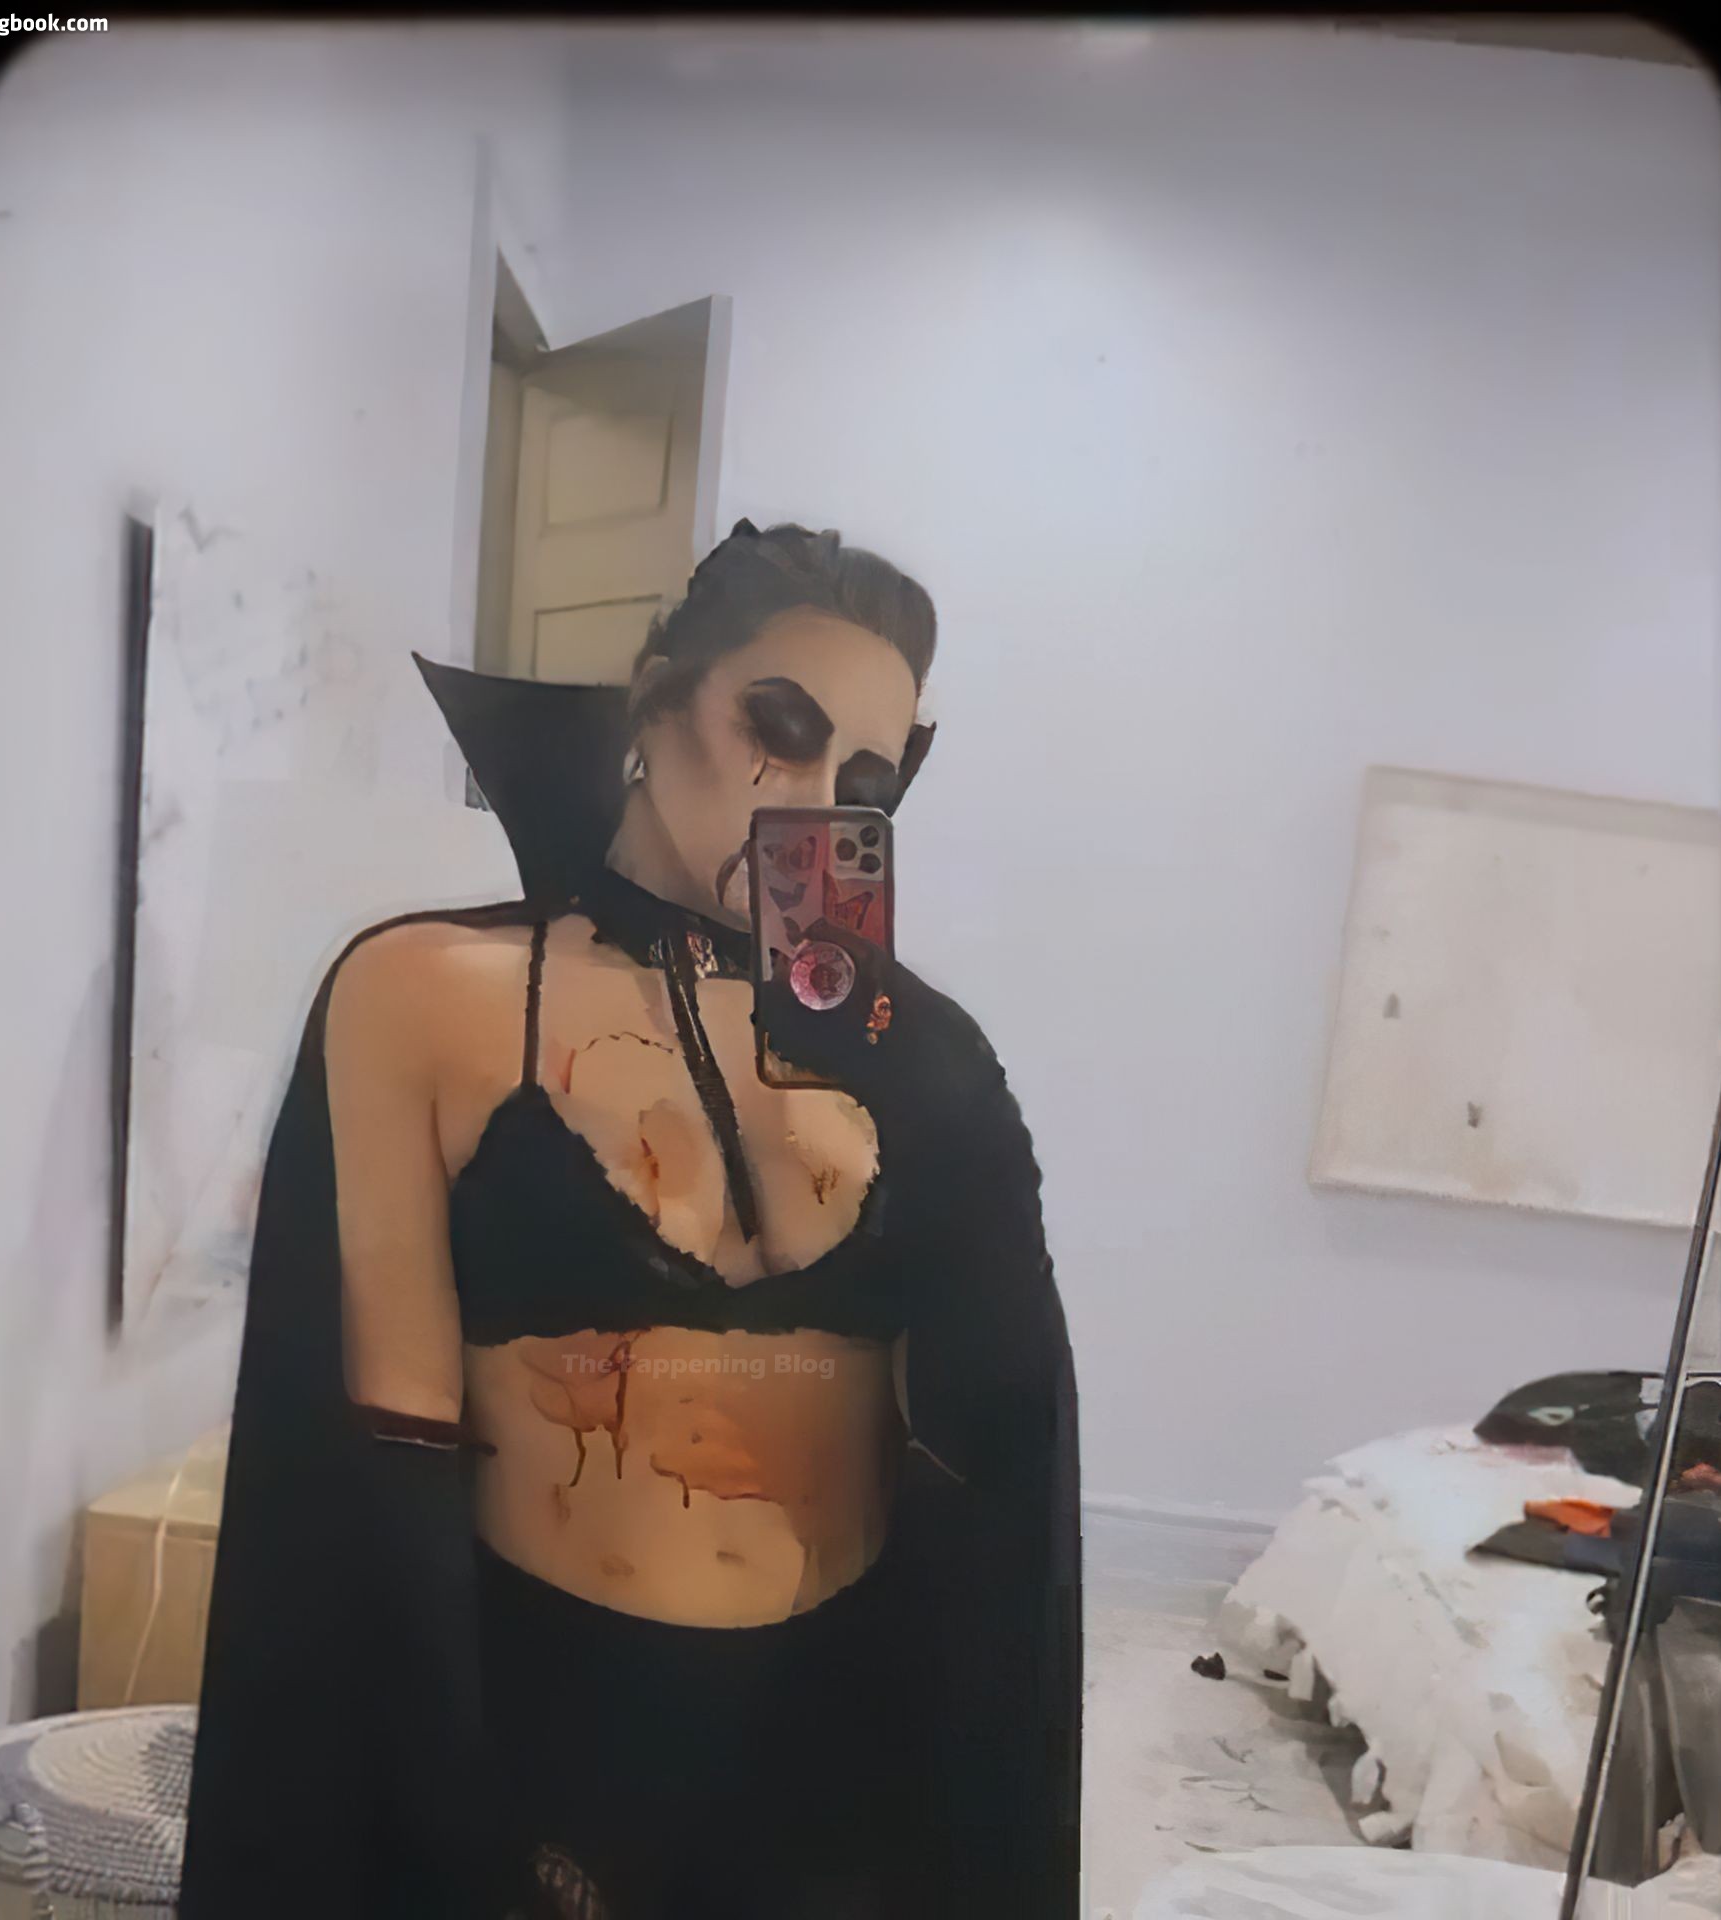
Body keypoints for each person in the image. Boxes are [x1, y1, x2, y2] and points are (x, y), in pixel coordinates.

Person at [178, 520, 1081, 1919]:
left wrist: (933, 1088)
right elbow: (381, 1461)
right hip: (552, 1726)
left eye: (863, 779)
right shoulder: (422, 992)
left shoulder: (916, 1054)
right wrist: (438, 1810)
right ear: (657, 702)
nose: (809, 797)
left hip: (836, 1743)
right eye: (779, 727)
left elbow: (996, 1427)